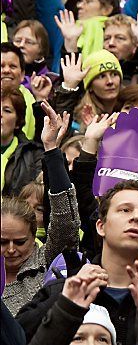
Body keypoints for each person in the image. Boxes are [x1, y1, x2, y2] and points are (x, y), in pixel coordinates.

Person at [15, 180, 138, 344]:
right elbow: (17, 336)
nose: (136, 217)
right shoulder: (63, 290)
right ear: (101, 226)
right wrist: (64, 301)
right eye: (125, 210)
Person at [2, 103, 79, 315]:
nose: (10, 250)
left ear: (34, 234)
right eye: (2, 242)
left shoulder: (47, 260)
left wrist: (52, 150)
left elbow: (65, 221)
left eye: (20, 242)